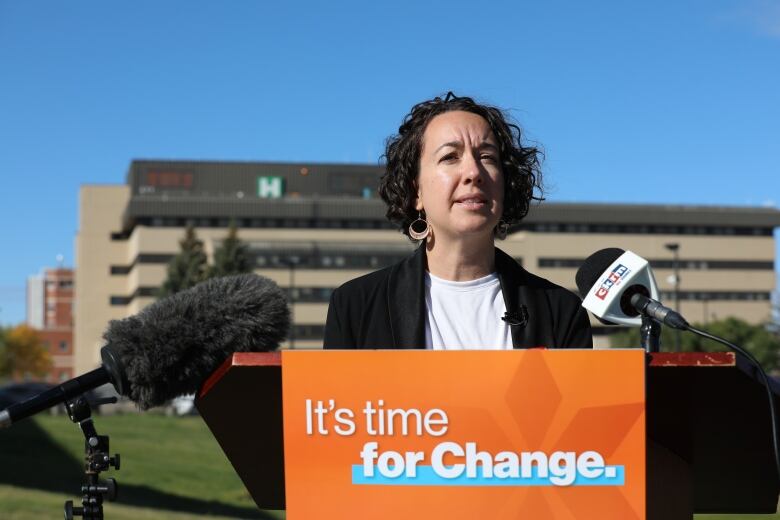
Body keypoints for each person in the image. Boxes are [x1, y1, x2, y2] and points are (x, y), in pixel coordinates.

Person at [323, 93, 592, 350]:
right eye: (450, 157)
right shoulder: (355, 306)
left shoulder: (560, 310)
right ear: (416, 191)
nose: (473, 172)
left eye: (487, 157)